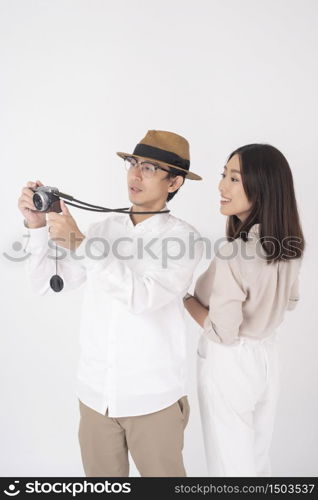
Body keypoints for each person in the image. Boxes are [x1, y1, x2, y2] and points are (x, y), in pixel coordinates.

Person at [18, 130, 203, 477]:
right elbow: (46, 284)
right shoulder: (102, 229)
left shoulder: (184, 238)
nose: (134, 175)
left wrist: (83, 245)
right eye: (133, 164)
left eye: (149, 168)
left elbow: (143, 297)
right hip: (94, 399)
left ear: (175, 182)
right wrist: (36, 227)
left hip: (154, 402)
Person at [183, 144, 304, 477]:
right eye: (224, 175)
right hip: (266, 358)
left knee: (230, 466)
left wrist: (185, 299)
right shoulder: (291, 245)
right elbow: (291, 302)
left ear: (261, 187)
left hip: (230, 361)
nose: (222, 186)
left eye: (234, 178)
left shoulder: (235, 253)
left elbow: (223, 331)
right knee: (256, 459)